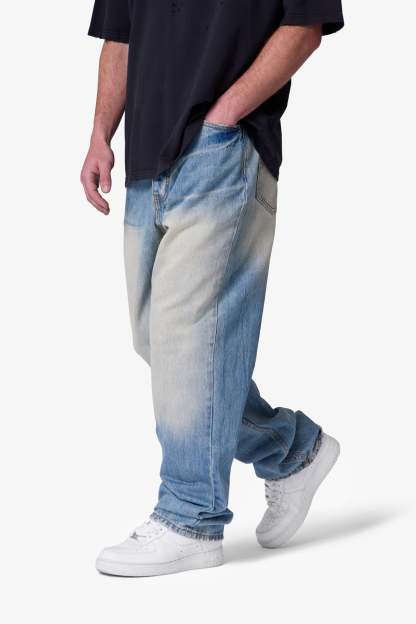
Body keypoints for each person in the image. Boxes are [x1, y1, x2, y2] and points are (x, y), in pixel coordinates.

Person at [82, 0, 344, 578]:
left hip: (223, 147)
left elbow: (305, 24)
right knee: (160, 343)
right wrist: (101, 133)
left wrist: (225, 115)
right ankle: (291, 450)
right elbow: (119, 34)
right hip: (146, 156)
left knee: (188, 340)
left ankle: (190, 517)